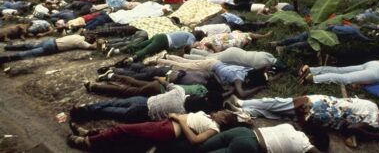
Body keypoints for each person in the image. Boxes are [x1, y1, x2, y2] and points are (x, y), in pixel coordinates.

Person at [224, 94, 379, 142]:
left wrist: (378, 136)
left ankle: (242, 104)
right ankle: (242, 110)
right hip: (321, 105)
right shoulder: (373, 109)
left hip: (319, 109)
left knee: (276, 106)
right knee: (278, 110)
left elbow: (352, 128)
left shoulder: (374, 122)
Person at [67, 110, 248, 151]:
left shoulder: (214, 127)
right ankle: (89, 134)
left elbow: (195, 140)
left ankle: (87, 141)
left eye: (222, 113)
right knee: (123, 133)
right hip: (164, 124)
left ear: (224, 120)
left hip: (168, 129)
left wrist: (178, 119)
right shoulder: (208, 117)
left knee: (121, 129)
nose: (219, 112)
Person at [69, 80, 223, 123]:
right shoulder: (184, 115)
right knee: (111, 112)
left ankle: (85, 108)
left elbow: (165, 82)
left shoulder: (179, 91)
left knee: (113, 103)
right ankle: (83, 114)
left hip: (144, 101)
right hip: (143, 114)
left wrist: (159, 79)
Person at [157, 55, 268, 98]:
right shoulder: (238, 79)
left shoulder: (248, 70)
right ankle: (158, 60)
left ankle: (167, 56)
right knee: (183, 66)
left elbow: (263, 68)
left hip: (214, 63)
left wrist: (277, 75)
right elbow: (241, 94)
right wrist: (259, 88)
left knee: (186, 62)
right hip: (210, 67)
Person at [199, 124, 329, 153]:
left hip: (242, 131)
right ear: (313, 140)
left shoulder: (290, 126)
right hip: (249, 146)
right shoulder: (304, 144)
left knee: (200, 148)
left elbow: (297, 125)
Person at [83, 75, 211, 98]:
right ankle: (93, 87)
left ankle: (112, 76)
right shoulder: (200, 97)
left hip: (159, 85)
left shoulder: (199, 86)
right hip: (160, 91)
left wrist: (160, 80)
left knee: (134, 82)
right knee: (127, 91)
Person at [0, 34, 97, 64]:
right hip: (52, 47)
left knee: (30, 45)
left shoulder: (77, 35)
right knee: (30, 53)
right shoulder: (81, 43)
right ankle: (6, 59)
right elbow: (92, 47)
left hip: (51, 41)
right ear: (89, 40)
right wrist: (97, 43)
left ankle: (8, 47)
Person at [123, 31, 203, 63]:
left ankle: (121, 50)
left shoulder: (187, 33)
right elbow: (189, 45)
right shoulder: (192, 37)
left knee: (141, 45)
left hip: (161, 36)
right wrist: (196, 44)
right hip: (164, 41)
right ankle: (131, 59)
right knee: (147, 50)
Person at [298, 61, 379, 85]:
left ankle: (310, 69)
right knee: (345, 78)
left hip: (376, 63)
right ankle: (311, 79)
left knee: (340, 70)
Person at [184, 47, 279, 70]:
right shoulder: (263, 64)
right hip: (233, 57)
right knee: (208, 60)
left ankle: (192, 51)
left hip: (235, 51)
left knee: (211, 55)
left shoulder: (268, 55)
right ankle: (186, 57)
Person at [193, 30, 272, 53]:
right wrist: (211, 46)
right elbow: (218, 53)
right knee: (247, 35)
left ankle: (253, 39)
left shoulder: (196, 45)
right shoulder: (204, 53)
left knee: (238, 32)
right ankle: (264, 36)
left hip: (222, 39)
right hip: (223, 44)